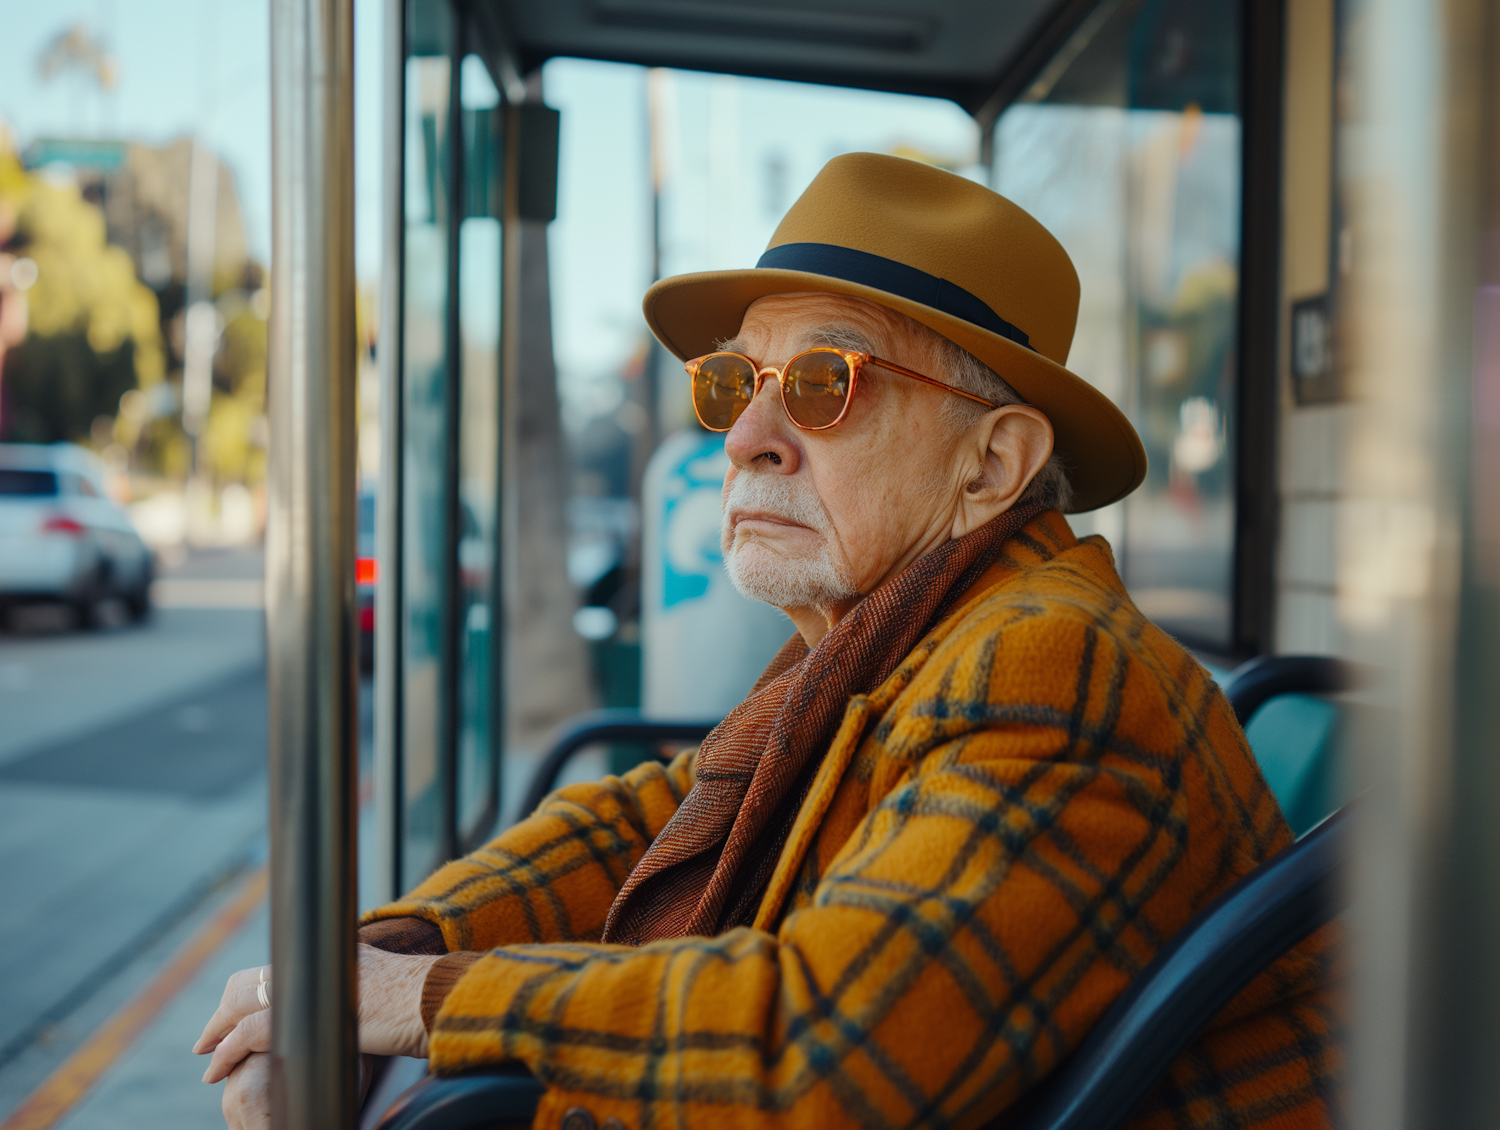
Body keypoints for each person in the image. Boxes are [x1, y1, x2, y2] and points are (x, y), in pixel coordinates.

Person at [196, 153, 1337, 1129]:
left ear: (990, 464)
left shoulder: (1054, 662)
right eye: (738, 380)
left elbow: (821, 1047)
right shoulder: (894, 628)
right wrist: (389, 950)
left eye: (826, 383)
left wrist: (424, 1000)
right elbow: (661, 810)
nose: (745, 436)